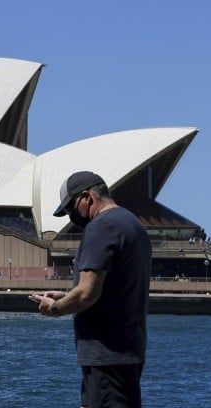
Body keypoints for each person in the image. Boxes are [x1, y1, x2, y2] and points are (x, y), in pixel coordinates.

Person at [30, 171, 152, 408]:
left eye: (70, 209)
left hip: (106, 354)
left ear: (87, 197)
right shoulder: (132, 225)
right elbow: (112, 289)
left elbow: (87, 293)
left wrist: (54, 307)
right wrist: (69, 297)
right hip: (128, 350)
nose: (70, 216)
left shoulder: (101, 226)